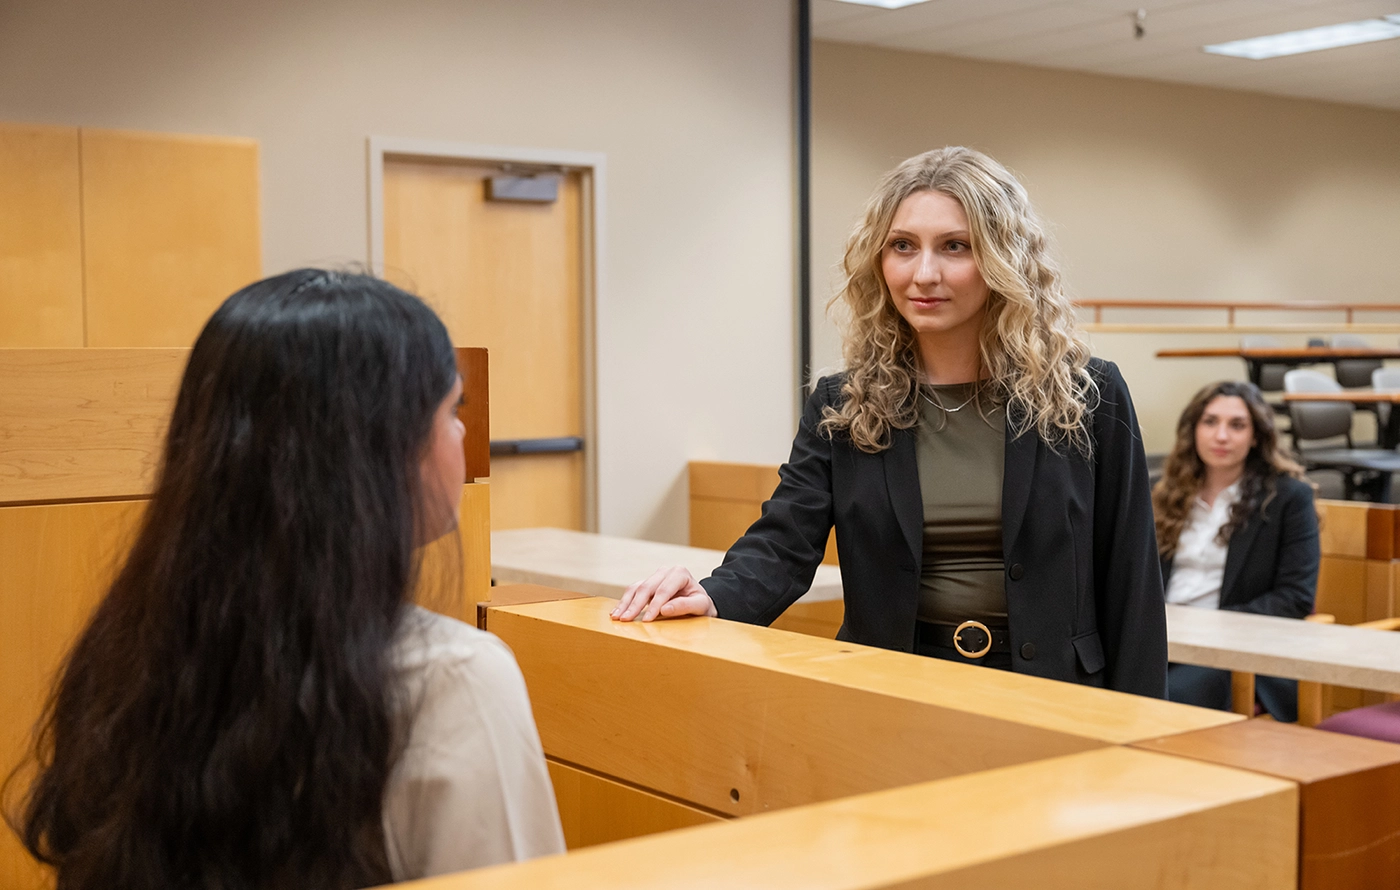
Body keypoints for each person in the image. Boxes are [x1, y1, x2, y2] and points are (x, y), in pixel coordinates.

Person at [7, 270, 564, 888]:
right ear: (375, 452)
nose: (463, 432)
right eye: (452, 409)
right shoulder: (452, 678)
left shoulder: (125, 651)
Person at [613, 147, 1167, 697]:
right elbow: (783, 543)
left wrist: (1148, 736)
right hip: (890, 689)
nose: (924, 274)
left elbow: (1132, 583)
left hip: (1055, 694)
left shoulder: (1086, 394)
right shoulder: (846, 402)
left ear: (1004, 258)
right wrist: (711, 595)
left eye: (956, 247)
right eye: (903, 246)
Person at [1154, 380, 1320, 721]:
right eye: (1210, 421)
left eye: (1237, 425)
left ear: (1257, 436)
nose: (1221, 436)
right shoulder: (1163, 493)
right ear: (1193, 429)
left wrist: (1212, 626)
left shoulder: (1289, 499)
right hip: (1161, 638)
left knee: (1169, 701)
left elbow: (1295, 597)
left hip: (1237, 650)